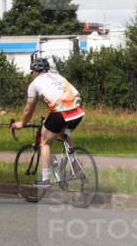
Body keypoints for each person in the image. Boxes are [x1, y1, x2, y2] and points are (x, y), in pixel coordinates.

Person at [10, 55, 84, 187]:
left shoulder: (34, 84)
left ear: (35, 71)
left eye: (32, 72)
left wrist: (22, 123)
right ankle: (76, 165)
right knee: (64, 135)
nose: (32, 74)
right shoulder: (57, 76)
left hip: (61, 112)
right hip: (77, 110)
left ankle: (45, 179)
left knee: (44, 141)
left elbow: (29, 110)